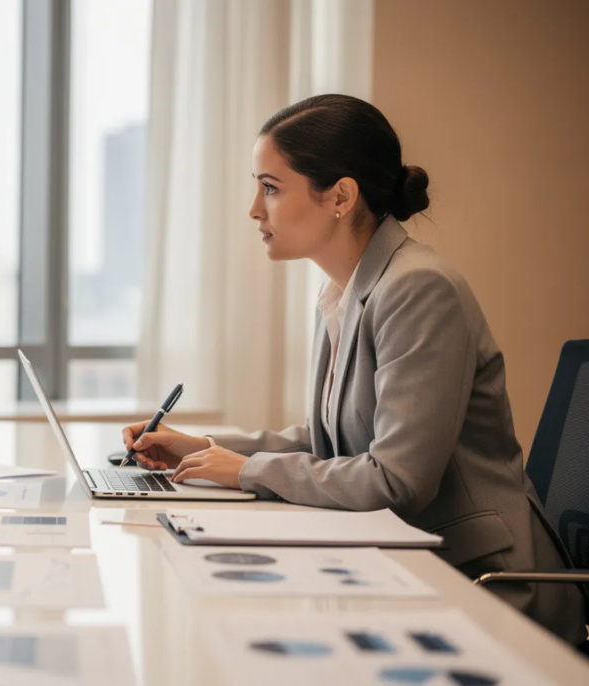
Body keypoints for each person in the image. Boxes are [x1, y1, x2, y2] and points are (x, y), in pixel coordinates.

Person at [123, 94, 587, 645]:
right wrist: (201, 447)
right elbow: (332, 443)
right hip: (409, 561)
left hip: (485, 585)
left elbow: (396, 480)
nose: (254, 208)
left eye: (270, 187)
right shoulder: (345, 289)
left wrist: (246, 471)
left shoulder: (418, 288)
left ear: (341, 196)